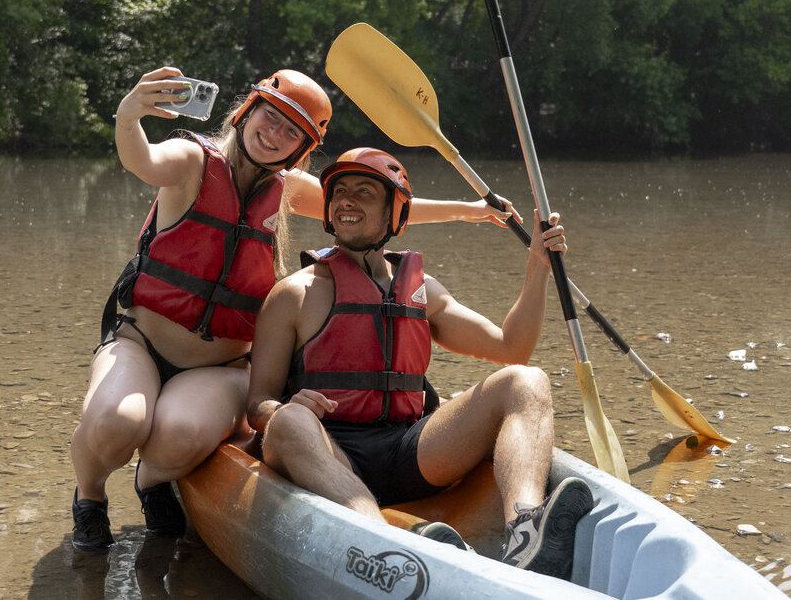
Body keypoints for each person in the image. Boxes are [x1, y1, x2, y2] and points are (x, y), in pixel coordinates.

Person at [71, 68, 515, 553]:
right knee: (119, 421)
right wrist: (129, 113)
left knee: (178, 433)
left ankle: (152, 481)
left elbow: (391, 205)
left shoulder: (284, 189)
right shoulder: (191, 159)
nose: (275, 134)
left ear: (301, 149)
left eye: (292, 132)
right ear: (246, 112)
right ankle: (90, 497)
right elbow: (143, 159)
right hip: (143, 341)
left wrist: (471, 210)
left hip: (220, 366)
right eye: (270, 117)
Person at [245, 147, 595, 579]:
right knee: (288, 421)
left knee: (525, 380)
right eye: (339, 192)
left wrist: (538, 267)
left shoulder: (422, 289)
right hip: (329, 453)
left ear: (396, 215)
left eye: (365, 192)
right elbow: (258, 403)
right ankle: (386, 545)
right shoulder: (293, 294)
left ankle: (526, 529)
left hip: (409, 449)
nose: (346, 201)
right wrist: (285, 407)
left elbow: (511, 348)